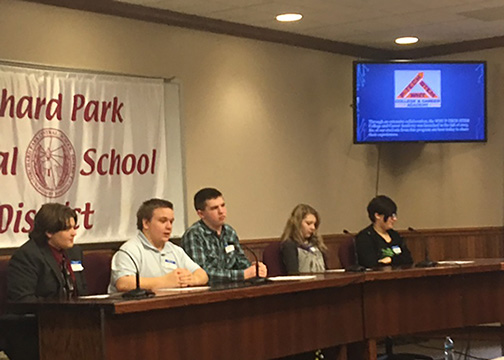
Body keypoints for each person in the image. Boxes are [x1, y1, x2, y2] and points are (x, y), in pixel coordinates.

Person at [6, 203, 87, 360]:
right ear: (49, 232)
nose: (74, 233)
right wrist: (60, 313)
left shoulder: (75, 252)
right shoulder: (27, 256)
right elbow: (23, 301)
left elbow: (82, 290)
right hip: (36, 329)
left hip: (75, 325)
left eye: (74, 227)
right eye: (67, 229)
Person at [108, 198, 208, 293]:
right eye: (163, 221)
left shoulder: (175, 250)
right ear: (146, 223)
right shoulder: (129, 250)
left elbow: (202, 275)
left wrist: (191, 280)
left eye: (171, 222)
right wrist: (165, 282)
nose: (169, 226)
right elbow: (123, 283)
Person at [181, 188, 267, 282]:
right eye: (214, 208)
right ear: (201, 214)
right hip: (208, 291)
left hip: (233, 286)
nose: (221, 211)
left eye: (223, 205)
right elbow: (201, 273)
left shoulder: (229, 232)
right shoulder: (194, 235)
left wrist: (255, 269)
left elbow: (241, 262)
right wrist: (242, 275)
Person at [355, 195, 413, 268]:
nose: (394, 219)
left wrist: (391, 260)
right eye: (390, 216)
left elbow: (408, 259)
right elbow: (370, 263)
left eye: (394, 215)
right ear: (377, 215)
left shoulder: (395, 235)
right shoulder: (365, 238)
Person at [280, 204, 327, 274]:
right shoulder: (289, 245)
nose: (313, 228)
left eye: (315, 224)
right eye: (308, 223)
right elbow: (293, 274)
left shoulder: (316, 244)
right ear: (297, 224)